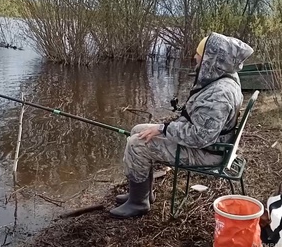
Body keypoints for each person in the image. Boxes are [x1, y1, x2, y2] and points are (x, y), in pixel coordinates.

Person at [109, 32, 254, 219]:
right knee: (139, 130)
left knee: (137, 144)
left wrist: (164, 128)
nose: (195, 57)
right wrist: (166, 126)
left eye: (199, 54)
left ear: (211, 59)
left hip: (207, 153)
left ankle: (138, 204)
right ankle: (142, 193)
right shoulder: (224, 78)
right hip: (211, 145)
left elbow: (200, 137)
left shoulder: (219, 94)